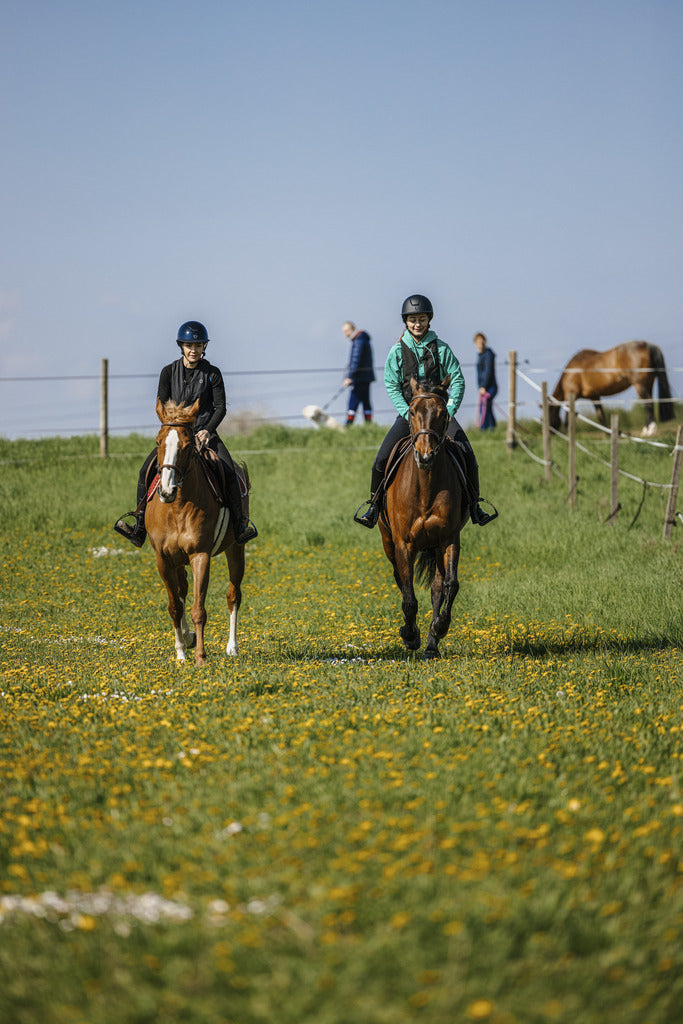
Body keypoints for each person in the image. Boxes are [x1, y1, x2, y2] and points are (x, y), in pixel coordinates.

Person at [353, 295, 497, 528]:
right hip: (410, 415)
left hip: (440, 416)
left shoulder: (441, 348)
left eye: (421, 319)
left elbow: (457, 379)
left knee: (468, 454)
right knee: (380, 460)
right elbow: (391, 383)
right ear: (406, 322)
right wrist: (405, 410)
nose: (417, 323)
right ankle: (374, 506)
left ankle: (475, 506)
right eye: (412, 319)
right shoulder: (396, 352)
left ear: (428, 320)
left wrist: (450, 409)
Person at [113, 320, 258, 548]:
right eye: (189, 345)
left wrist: (206, 431)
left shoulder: (213, 373)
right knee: (145, 471)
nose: (194, 349)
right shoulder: (168, 372)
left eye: (198, 345)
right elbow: (162, 403)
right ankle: (139, 525)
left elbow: (221, 408)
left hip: (205, 434)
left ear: (204, 347)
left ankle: (239, 526)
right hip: (177, 435)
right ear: (181, 346)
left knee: (229, 471)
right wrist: (173, 431)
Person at [341, 321, 375, 426]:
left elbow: (355, 359)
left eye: (346, 331)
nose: (346, 334)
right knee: (366, 402)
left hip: (359, 378)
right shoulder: (363, 339)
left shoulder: (358, 341)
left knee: (353, 402)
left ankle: (348, 426)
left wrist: (350, 377)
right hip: (366, 377)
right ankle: (368, 425)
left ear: (352, 329)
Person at [474, 331, 497, 430]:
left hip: (489, 386)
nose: (480, 343)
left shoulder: (488, 355)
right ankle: (492, 429)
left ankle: (484, 429)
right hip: (483, 387)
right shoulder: (480, 355)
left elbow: (487, 371)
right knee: (487, 408)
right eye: (478, 342)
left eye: (481, 341)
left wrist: (483, 386)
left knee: (484, 408)